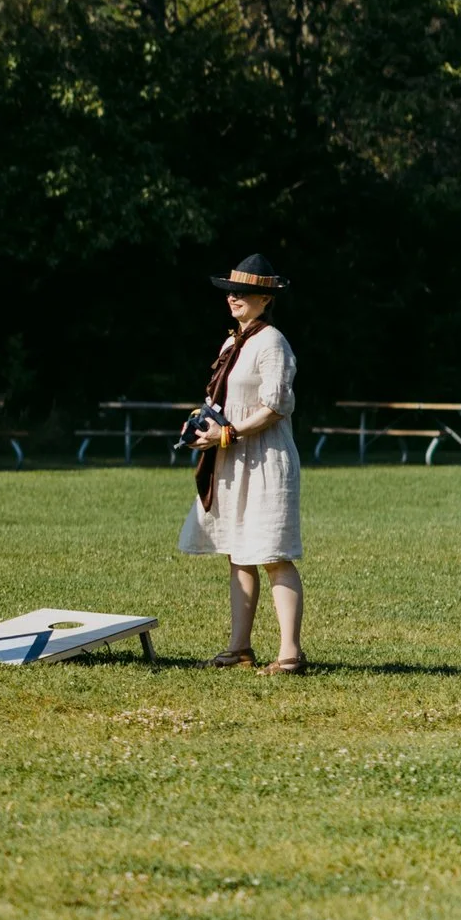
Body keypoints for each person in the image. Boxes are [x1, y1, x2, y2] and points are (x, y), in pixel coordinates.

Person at [182, 254, 306, 674]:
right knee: (238, 552)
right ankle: (240, 648)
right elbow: (221, 399)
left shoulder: (272, 342)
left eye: (244, 293)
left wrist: (230, 433)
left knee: (273, 553)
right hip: (232, 458)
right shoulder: (234, 340)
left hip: (266, 459)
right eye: (231, 292)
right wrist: (203, 424)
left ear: (265, 299)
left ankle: (290, 653)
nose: (233, 298)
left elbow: (275, 406)